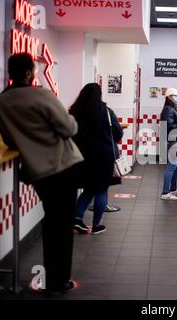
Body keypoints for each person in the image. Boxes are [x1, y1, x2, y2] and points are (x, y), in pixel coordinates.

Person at [0, 53, 83, 294]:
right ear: (30, 73)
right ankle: (59, 280)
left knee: (52, 221)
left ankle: (53, 279)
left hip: (37, 173)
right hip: (63, 167)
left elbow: (10, 140)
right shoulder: (41, 95)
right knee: (63, 226)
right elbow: (69, 127)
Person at [69, 83, 124, 235]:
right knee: (101, 190)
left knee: (88, 189)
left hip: (83, 157)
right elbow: (118, 133)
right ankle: (97, 225)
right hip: (104, 157)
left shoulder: (75, 112)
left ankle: (77, 219)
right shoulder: (106, 112)